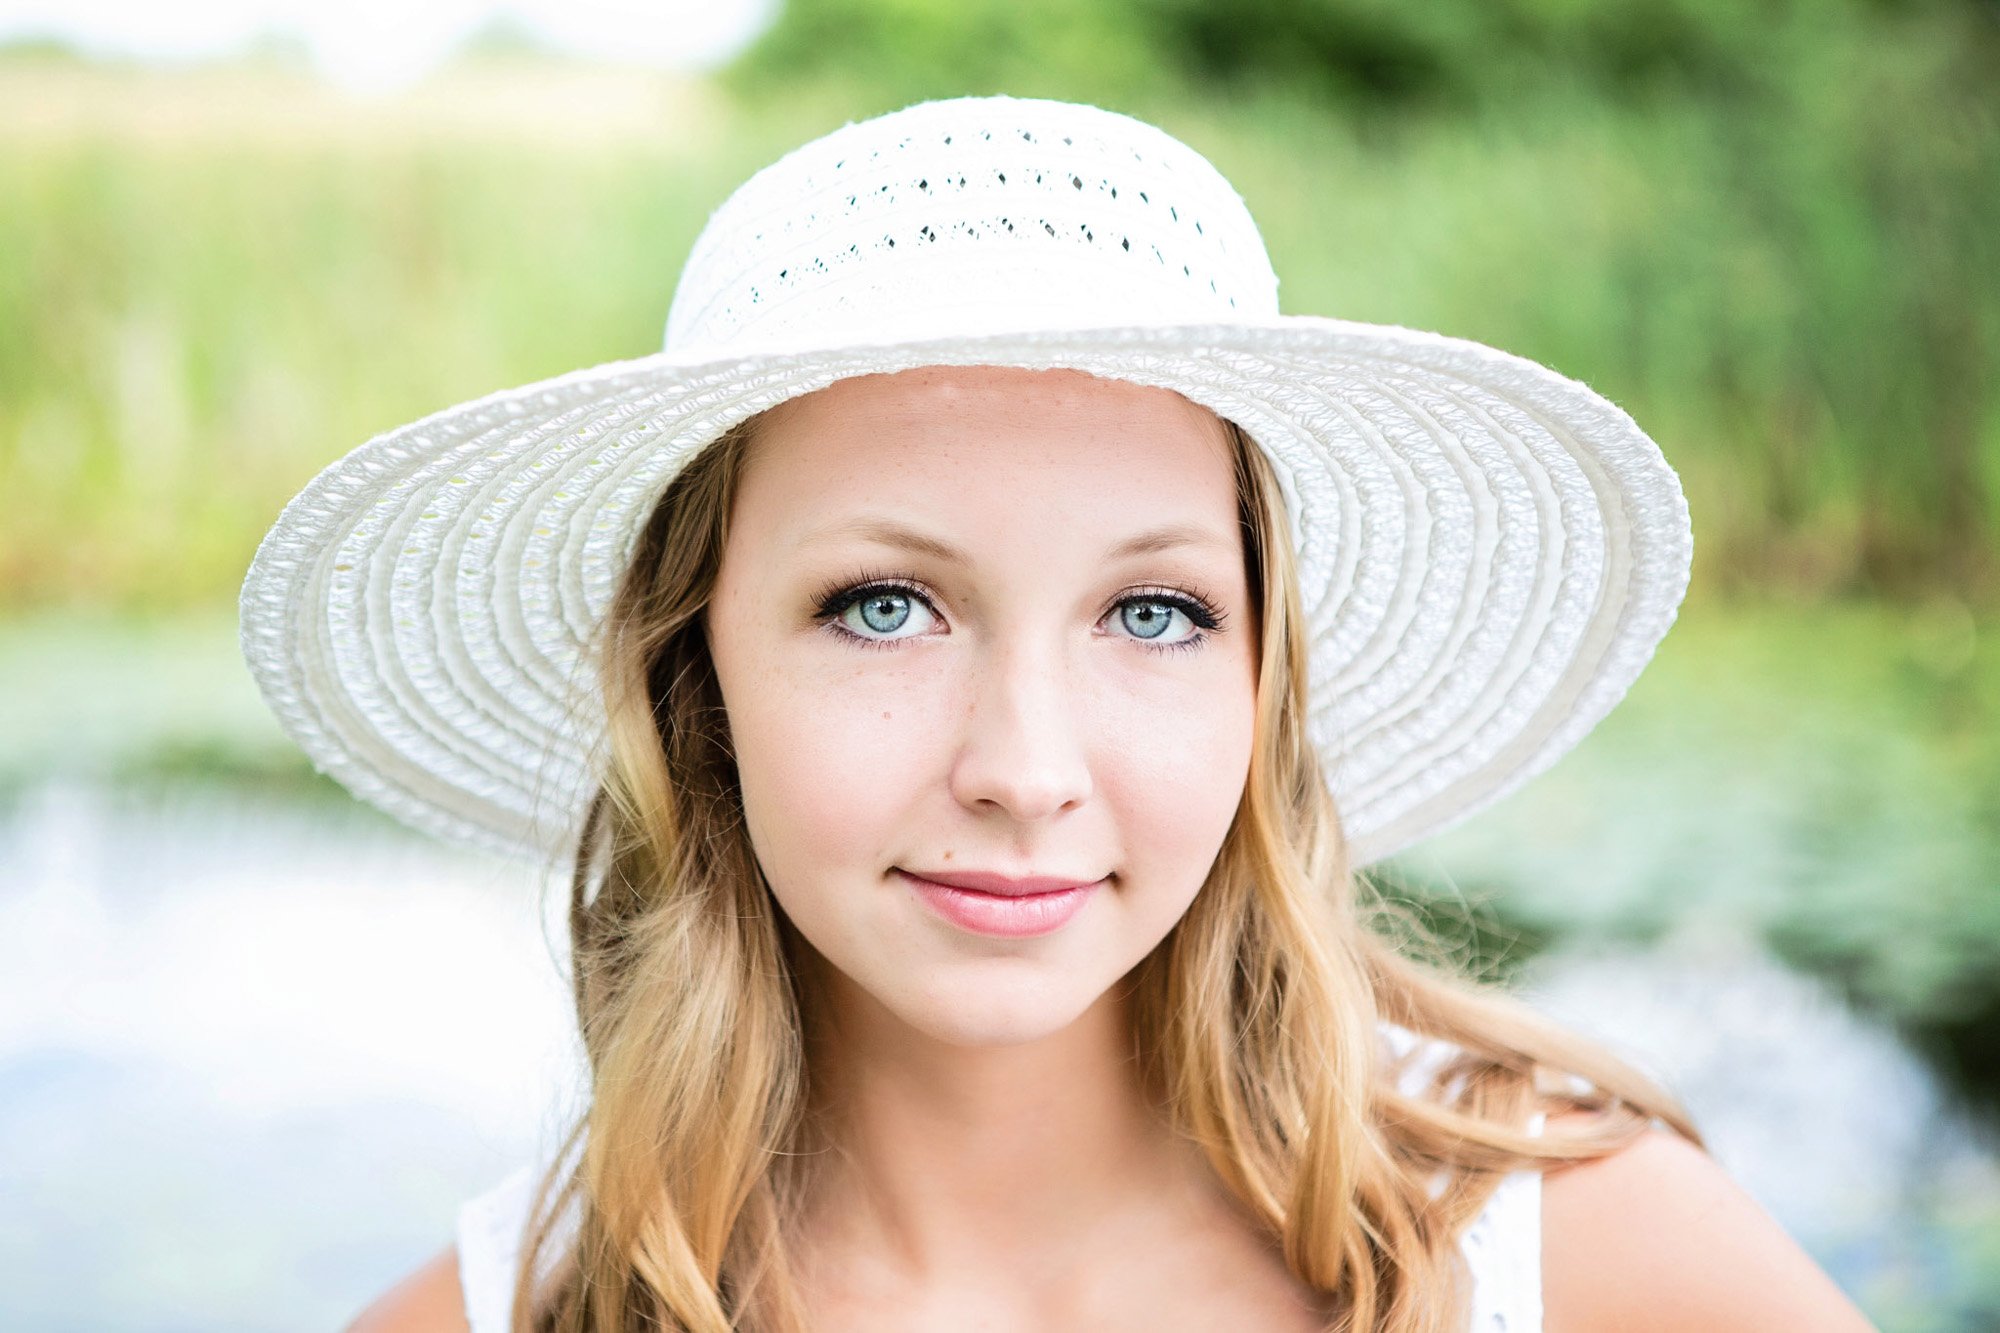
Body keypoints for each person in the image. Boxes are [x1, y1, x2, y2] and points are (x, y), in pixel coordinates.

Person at [238, 96, 1876, 1331]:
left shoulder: (1588, 1260)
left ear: (1262, 683)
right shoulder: (508, 1312)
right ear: (697, 677)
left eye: (1153, 612)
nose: (1025, 771)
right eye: (884, 605)